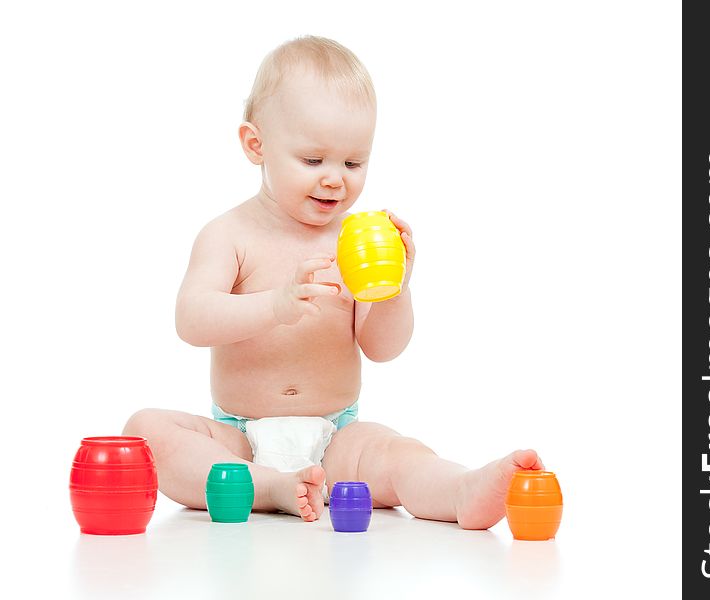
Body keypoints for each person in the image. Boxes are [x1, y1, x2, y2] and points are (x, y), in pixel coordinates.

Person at [123, 35, 543, 529]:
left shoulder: (356, 242)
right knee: (147, 431)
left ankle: (459, 489)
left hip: (335, 438)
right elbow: (191, 320)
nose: (335, 179)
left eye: (352, 163)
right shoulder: (229, 234)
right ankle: (271, 485)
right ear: (256, 145)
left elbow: (382, 347)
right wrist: (274, 306)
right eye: (313, 160)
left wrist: (395, 289)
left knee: (395, 454)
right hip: (237, 439)